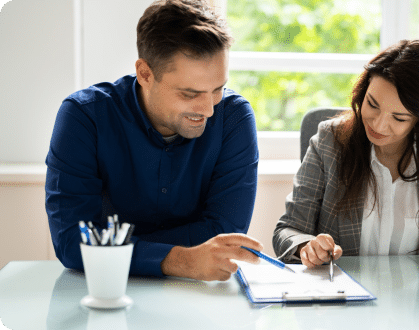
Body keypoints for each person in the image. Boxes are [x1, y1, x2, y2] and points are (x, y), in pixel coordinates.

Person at [45, 0, 263, 281]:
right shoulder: (84, 117)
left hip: (198, 295)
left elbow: (223, 234)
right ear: (145, 74)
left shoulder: (233, 118)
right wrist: (179, 260)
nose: (209, 109)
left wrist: (116, 245)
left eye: (217, 89)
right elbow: (71, 242)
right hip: (104, 290)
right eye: (189, 94)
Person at [273, 39, 419, 267]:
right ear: (363, 92)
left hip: (418, 301)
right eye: (372, 104)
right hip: (345, 298)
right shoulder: (330, 142)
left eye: (398, 118)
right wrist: (306, 247)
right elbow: (287, 230)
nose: (378, 125)